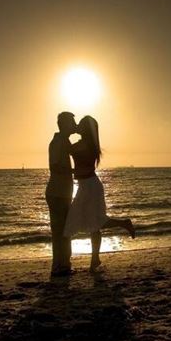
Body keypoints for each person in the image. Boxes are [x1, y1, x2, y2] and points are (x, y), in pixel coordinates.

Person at [64, 115, 135, 272]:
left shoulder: (85, 145)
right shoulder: (86, 144)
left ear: (85, 129)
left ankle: (124, 224)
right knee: (94, 224)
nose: (78, 126)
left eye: (80, 124)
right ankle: (95, 259)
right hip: (87, 185)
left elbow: (77, 159)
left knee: (94, 222)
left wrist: (68, 170)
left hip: (90, 186)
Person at [45, 111, 77, 276]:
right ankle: (59, 266)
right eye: (72, 122)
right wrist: (74, 171)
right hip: (57, 193)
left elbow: (78, 151)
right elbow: (54, 166)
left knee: (65, 230)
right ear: (65, 124)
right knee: (59, 231)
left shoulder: (65, 141)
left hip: (63, 193)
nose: (74, 125)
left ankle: (64, 264)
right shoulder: (58, 142)